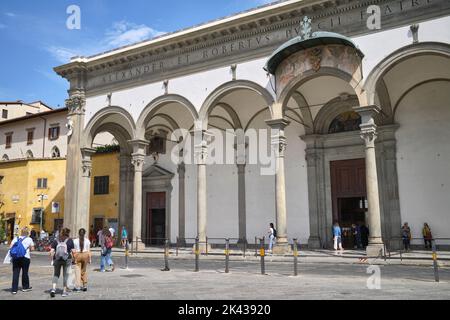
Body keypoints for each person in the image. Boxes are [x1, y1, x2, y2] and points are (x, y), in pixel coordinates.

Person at [49, 227, 74, 298]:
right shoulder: (70, 240)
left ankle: (53, 289)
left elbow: (51, 251)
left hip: (57, 259)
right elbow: (73, 251)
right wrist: (74, 259)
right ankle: (64, 291)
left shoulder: (56, 240)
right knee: (65, 275)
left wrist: (52, 259)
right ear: (67, 233)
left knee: (56, 274)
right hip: (67, 259)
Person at [9, 227, 35, 294]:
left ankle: (14, 289)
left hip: (16, 258)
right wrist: (28, 247)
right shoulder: (29, 239)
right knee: (25, 272)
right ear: (27, 232)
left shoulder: (16, 238)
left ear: (21, 231)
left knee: (15, 273)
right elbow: (32, 249)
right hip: (25, 258)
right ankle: (25, 287)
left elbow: (10, 247)